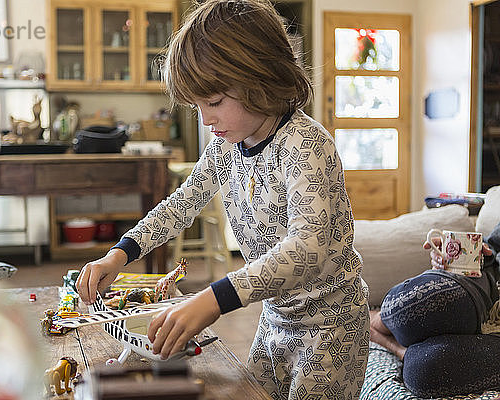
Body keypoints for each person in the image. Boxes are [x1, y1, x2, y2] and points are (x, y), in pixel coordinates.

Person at [76, 1, 369, 398]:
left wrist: (214, 298)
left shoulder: (307, 144)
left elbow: (308, 247)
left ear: (262, 79)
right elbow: (182, 204)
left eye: (213, 103)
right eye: (197, 106)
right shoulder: (224, 146)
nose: (205, 120)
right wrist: (120, 254)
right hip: (275, 320)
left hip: (332, 326)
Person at [370, 222, 500, 398]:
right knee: (413, 304)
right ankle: (378, 321)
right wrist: (469, 252)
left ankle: (399, 348)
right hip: (487, 284)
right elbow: (493, 245)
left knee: (425, 369)